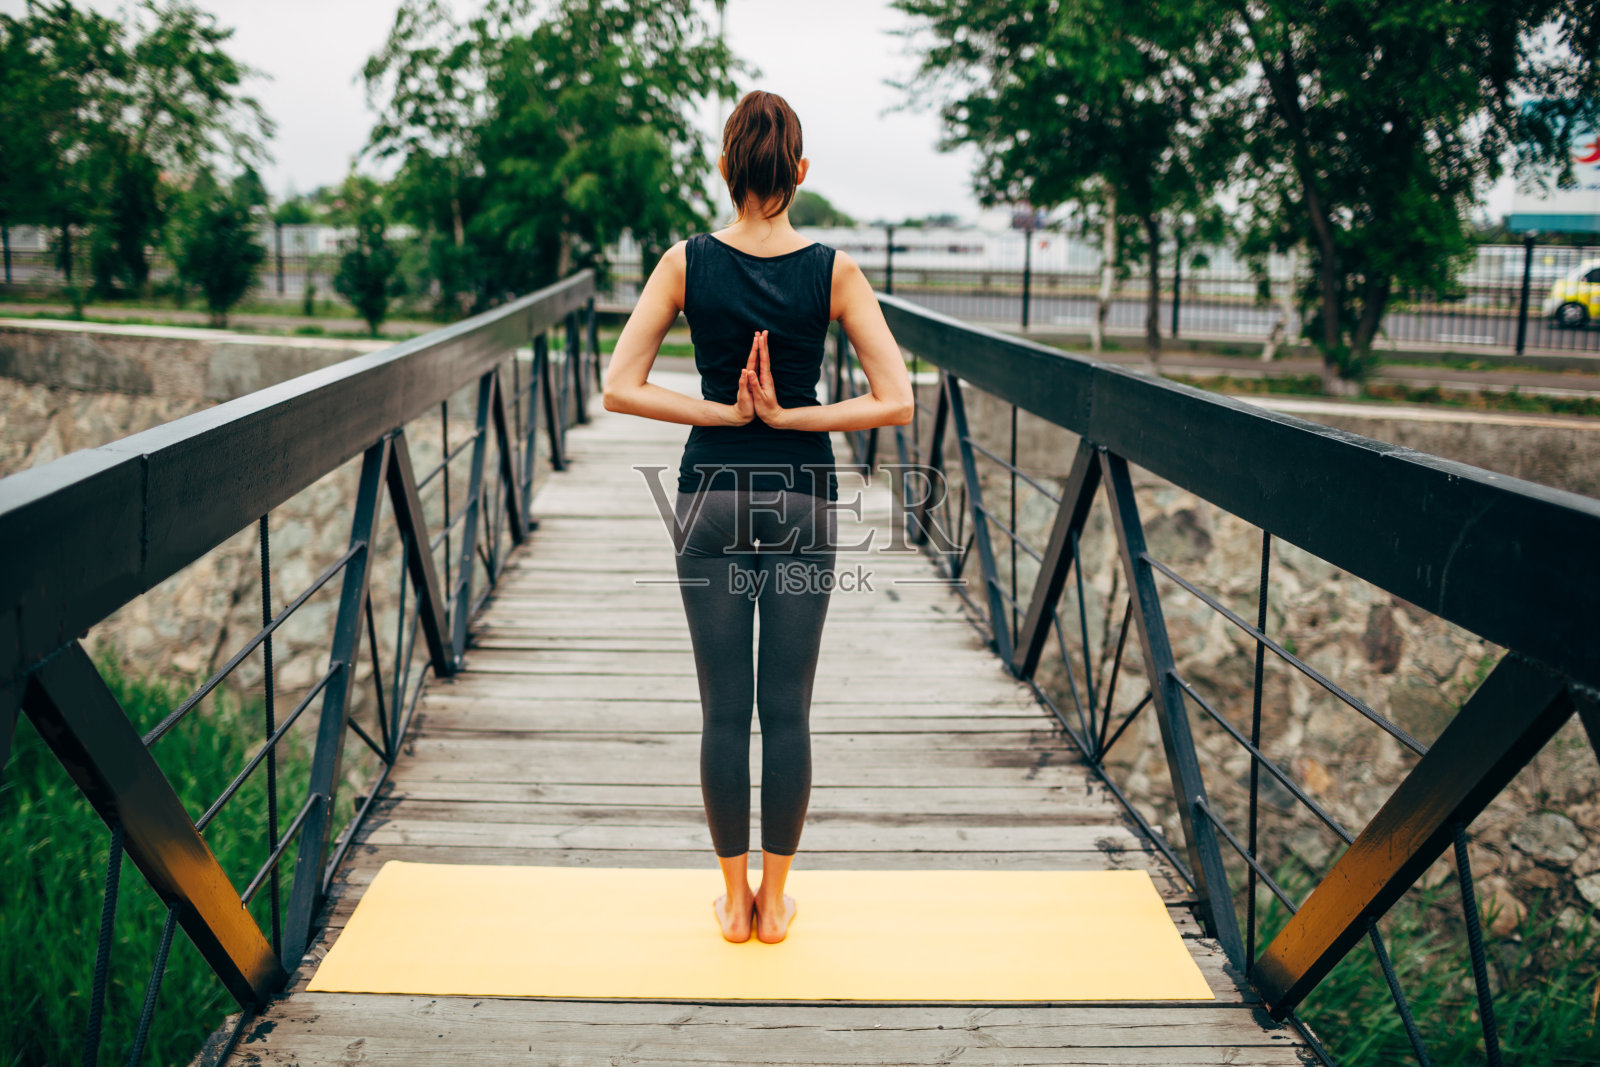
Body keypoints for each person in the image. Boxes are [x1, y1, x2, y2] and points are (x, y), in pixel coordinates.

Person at [601, 89, 913, 944]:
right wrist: (791, 417)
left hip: (708, 495)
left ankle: (730, 902)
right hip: (802, 497)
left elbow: (619, 385)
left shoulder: (684, 262)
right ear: (800, 171)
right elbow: (896, 401)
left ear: (724, 168)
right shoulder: (835, 270)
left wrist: (722, 412)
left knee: (722, 711)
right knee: (787, 710)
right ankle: (774, 904)